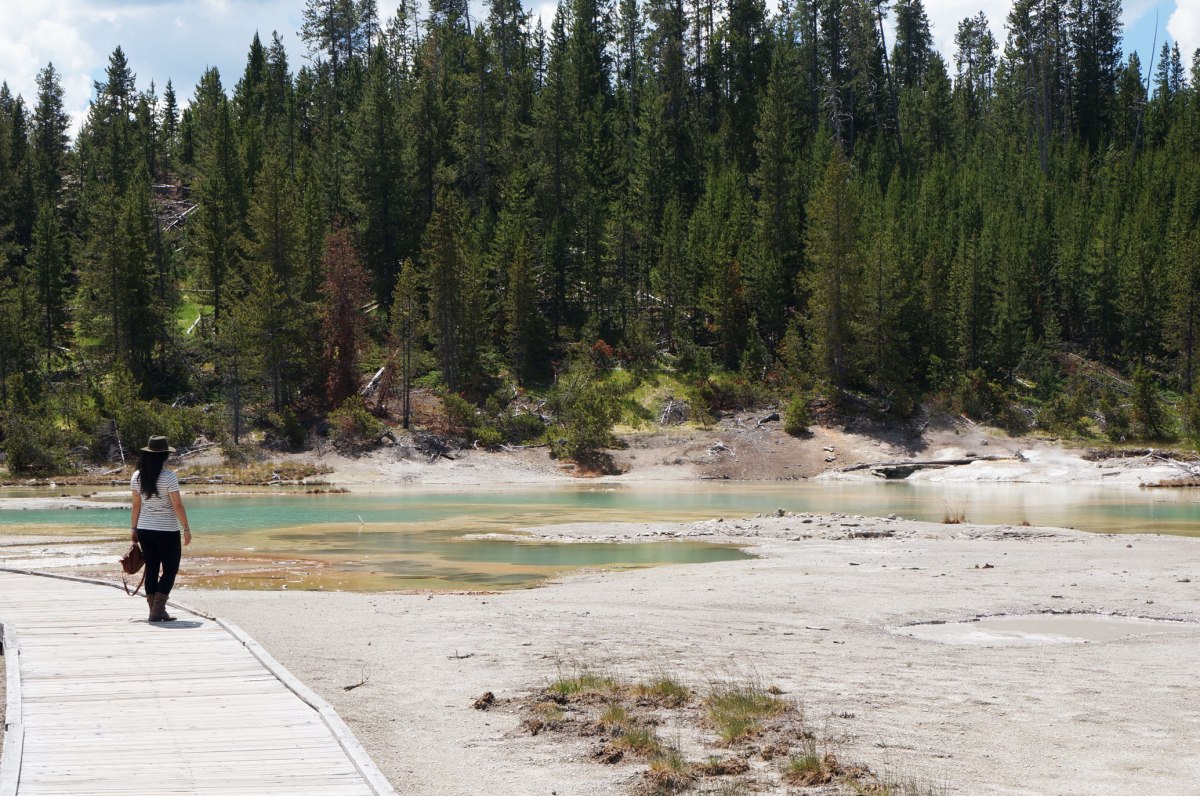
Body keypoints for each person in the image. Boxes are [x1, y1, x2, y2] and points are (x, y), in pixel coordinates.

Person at [130, 435, 192, 621]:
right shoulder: (169, 477)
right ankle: (158, 609)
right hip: (167, 530)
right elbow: (177, 505)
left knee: (152, 568)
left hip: (144, 529)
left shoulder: (136, 476)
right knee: (170, 569)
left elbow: (136, 505)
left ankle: (154, 610)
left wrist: (133, 529)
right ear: (164, 455)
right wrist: (186, 529)